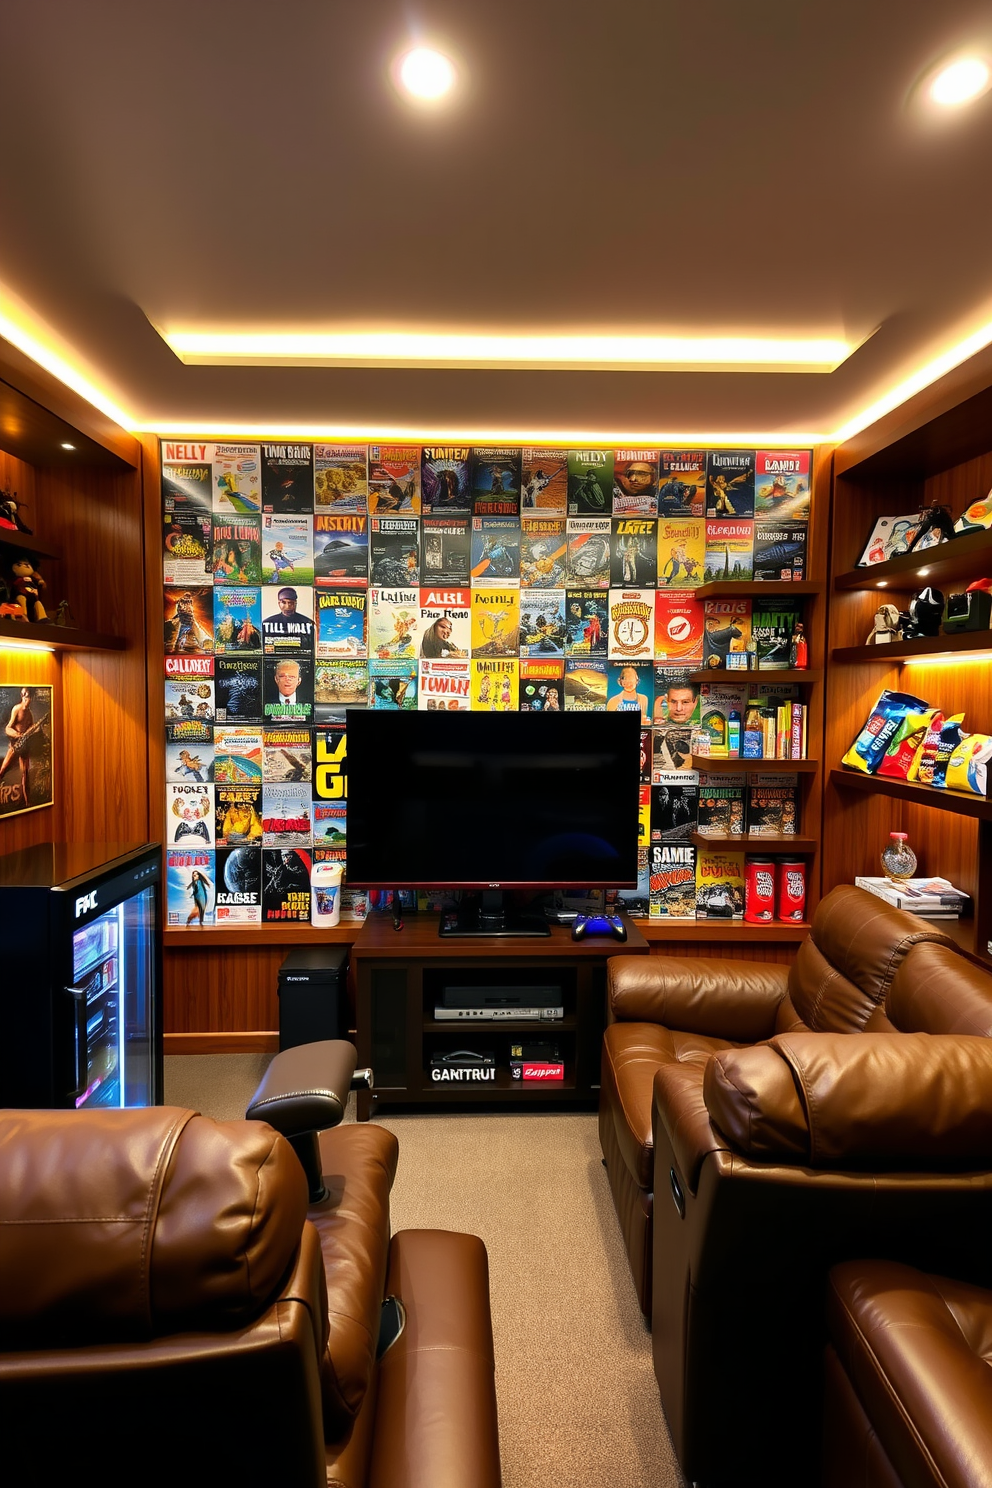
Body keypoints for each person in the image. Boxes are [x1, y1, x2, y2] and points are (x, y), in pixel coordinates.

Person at [0, 686, 38, 808]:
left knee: (25, 774)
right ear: (22, 696)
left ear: (30, 697)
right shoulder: (16, 709)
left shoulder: (30, 713)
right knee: (2, 770)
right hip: (15, 745)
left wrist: (34, 730)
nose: (25, 697)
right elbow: (8, 728)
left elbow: (32, 728)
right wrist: (17, 735)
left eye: (27, 695)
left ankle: (26, 802)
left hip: (25, 747)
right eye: (23, 694)